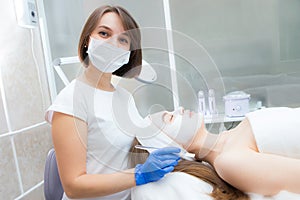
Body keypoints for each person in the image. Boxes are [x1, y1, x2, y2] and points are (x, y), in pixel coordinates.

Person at [45, 5, 181, 200]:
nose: (113, 44)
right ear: (86, 41)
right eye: (104, 33)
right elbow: (74, 185)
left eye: (123, 39)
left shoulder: (124, 98)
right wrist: (138, 174)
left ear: (129, 52)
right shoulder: (71, 100)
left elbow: (133, 146)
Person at [132, 107, 300, 198]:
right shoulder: (229, 162)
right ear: (169, 146)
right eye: (170, 118)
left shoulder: (234, 134)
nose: (180, 109)